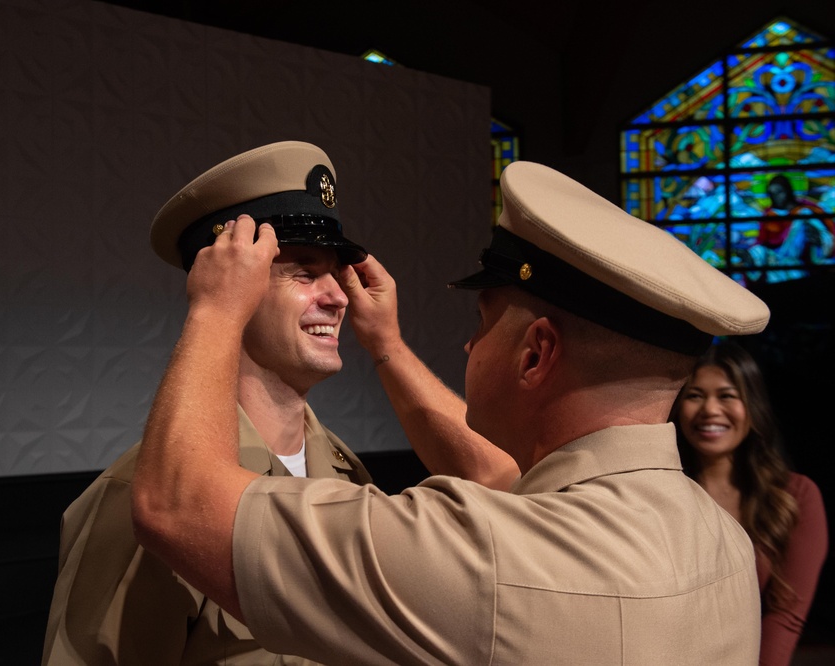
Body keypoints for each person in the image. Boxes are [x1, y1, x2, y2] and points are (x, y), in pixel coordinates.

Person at [132, 160, 773, 664]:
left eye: (482, 320)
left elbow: (177, 505)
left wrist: (217, 309)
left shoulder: (489, 560)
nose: (468, 343)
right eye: (303, 273)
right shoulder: (720, 538)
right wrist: (386, 347)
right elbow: (511, 485)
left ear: (535, 354)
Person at [41, 140, 515, 665]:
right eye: (305, 273)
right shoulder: (142, 493)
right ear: (235, 289)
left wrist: (388, 344)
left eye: (338, 274)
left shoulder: (345, 473)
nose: (338, 297)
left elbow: (502, 481)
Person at [671, 340, 829, 665]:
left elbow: (785, 617)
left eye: (727, 395)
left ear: (752, 406)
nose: (710, 410)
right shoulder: (663, 490)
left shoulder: (795, 496)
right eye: (694, 395)